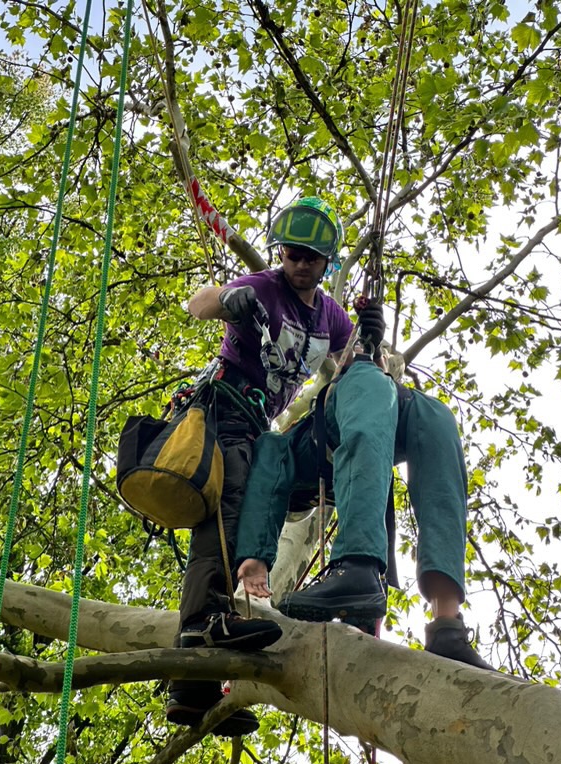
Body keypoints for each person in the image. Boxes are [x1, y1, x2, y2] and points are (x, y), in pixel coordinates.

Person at [167, 197, 386, 735]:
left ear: (327, 261)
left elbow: (348, 368)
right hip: (224, 407)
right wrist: (228, 299)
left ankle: (193, 692)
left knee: (240, 515)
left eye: (311, 256)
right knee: (225, 516)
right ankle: (198, 633)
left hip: (260, 424)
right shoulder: (264, 285)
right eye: (292, 253)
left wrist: (369, 342)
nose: (300, 264)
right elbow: (197, 304)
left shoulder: (329, 315)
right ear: (279, 252)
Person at [235, 360, 495, 671]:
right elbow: (266, 479)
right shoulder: (281, 448)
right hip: (348, 412)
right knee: (368, 379)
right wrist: (255, 560)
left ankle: (447, 623)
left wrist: (369, 344)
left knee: (435, 416)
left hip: (373, 404)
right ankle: (357, 565)